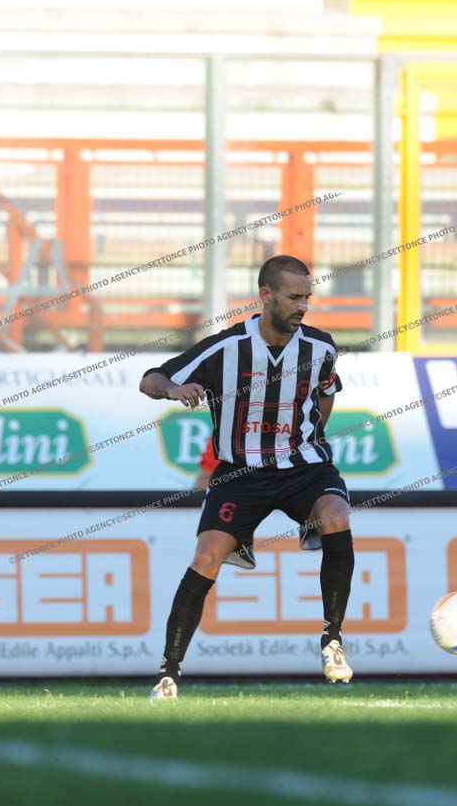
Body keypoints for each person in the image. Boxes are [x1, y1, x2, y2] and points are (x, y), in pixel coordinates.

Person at [140, 255, 354, 700]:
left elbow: (326, 392)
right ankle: (169, 672)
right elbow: (150, 379)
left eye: (307, 297)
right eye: (294, 297)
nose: (303, 306)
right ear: (266, 296)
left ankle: (332, 639)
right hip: (240, 473)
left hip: (304, 467)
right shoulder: (226, 347)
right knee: (205, 558)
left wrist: (311, 436)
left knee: (335, 516)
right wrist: (175, 389)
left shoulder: (320, 347)